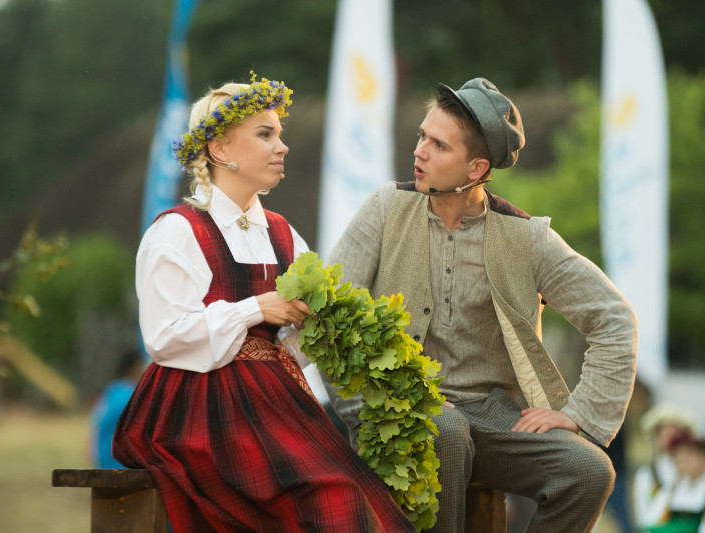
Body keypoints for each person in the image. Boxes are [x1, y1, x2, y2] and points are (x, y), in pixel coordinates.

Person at [320, 77, 639, 533]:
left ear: (476, 169)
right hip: (394, 408)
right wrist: (367, 406)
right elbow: (332, 315)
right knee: (447, 433)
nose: (420, 151)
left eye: (438, 145)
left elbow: (614, 318)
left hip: (492, 418)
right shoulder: (386, 208)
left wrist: (579, 415)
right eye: (421, 136)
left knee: (589, 472)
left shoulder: (526, 238)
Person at [112, 75, 414, 533]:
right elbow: (164, 337)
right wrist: (257, 308)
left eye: (280, 134)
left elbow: (301, 343)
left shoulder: (283, 234)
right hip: (199, 407)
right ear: (219, 150)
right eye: (265, 134)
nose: (282, 147)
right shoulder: (177, 230)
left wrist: (309, 332)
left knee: (356, 498)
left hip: (274, 400)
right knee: (323, 496)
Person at [634, 403, 700, 527]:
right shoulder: (647, 474)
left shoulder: (697, 470)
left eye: (674, 433)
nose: (668, 437)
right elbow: (643, 519)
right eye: (663, 432)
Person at [89, 348, 146, 469]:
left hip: (102, 459)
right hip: (119, 462)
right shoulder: (130, 395)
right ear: (134, 367)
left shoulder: (112, 390)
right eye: (143, 365)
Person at [640, 434, 705, 533]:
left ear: (701, 457)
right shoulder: (674, 487)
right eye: (678, 461)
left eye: (686, 459)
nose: (682, 465)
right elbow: (649, 521)